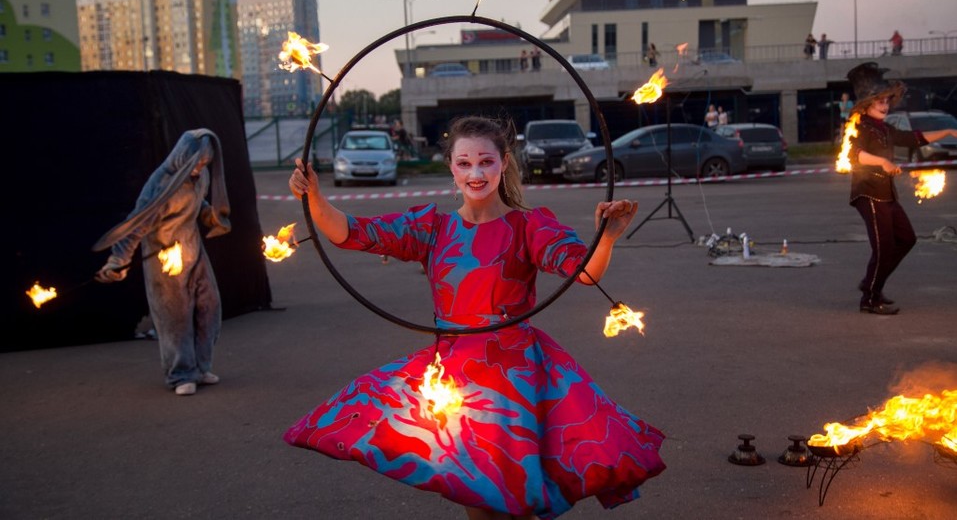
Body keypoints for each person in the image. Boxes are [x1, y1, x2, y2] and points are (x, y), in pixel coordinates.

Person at [285, 116, 665, 519]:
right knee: (476, 500)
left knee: (515, 500)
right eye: (464, 163)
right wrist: (313, 198)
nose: (476, 173)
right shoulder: (432, 228)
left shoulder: (528, 226)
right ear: (451, 166)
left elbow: (585, 272)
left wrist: (606, 237)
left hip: (515, 381)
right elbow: (351, 232)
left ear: (503, 162)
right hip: (454, 381)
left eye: (485, 161)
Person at [93, 129, 231, 395]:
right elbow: (136, 224)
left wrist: (208, 216)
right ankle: (181, 375)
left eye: (205, 164)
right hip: (164, 259)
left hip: (194, 251)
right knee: (174, 318)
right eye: (197, 163)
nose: (200, 168)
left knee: (209, 306)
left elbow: (197, 201)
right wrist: (118, 260)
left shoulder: (198, 175)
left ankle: (201, 368)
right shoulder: (161, 183)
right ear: (184, 157)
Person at [844, 63, 957, 315]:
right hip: (868, 192)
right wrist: (882, 161)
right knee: (883, 247)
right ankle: (869, 300)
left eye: (886, 101)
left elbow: (914, 138)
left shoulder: (886, 128)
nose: (885, 106)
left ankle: (871, 283)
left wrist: (949, 131)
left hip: (887, 194)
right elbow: (855, 155)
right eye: (879, 102)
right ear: (867, 104)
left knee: (907, 238)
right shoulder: (860, 125)